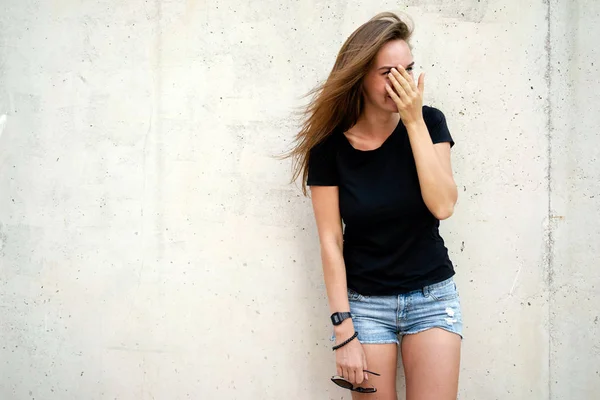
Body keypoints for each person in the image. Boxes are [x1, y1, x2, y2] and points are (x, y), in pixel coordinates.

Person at [286, 11, 463, 400]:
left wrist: (413, 122)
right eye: (387, 72)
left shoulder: (430, 123)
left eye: (408, 69)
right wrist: (343, 329)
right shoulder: (329, 147)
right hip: (365, 307)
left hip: (431, 298)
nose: (401, 81)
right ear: (360, 76)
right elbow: (331, 240)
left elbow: (443, 206)